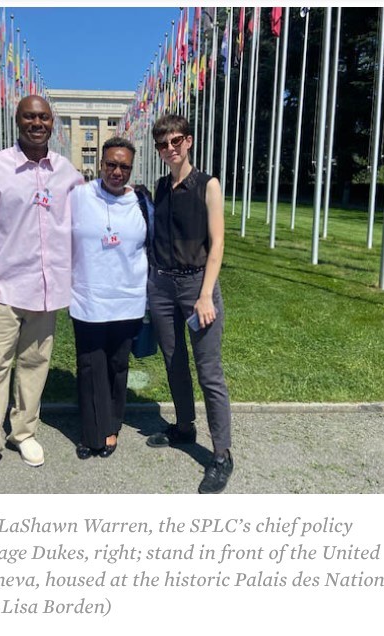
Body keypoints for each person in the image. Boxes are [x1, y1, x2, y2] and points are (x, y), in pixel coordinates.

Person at [0, 95, 84, 490]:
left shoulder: (68, 174)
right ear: (18, 120)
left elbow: (84, 225)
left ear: (52, 123)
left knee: (34, 366)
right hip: (3, 288)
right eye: (30, 116)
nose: (37, 122)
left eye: (43, 117)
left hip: (48, 291)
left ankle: (24, 432)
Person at [145, 114, 234, 495]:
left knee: (208, 371)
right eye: (163, 144)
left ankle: (221, 454)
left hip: (198, 286)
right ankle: (184, 427)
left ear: (189, 141)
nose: (170, 149)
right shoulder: (161, 186)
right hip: (162, 287)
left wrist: (204, 295)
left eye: (176, 141)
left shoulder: (207, 185)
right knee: (173, 361)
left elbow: (217, 244)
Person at [69, 137, 151, 459]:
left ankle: (112, 427)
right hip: (88, 298)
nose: (117, 171)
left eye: (124, 166)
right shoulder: (78, 196)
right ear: (101, 164)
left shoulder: (143, 201)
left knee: (118, 367)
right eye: (111, 164)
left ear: (132, 168)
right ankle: (92, 435)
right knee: (90, 367)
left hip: (128, 299)